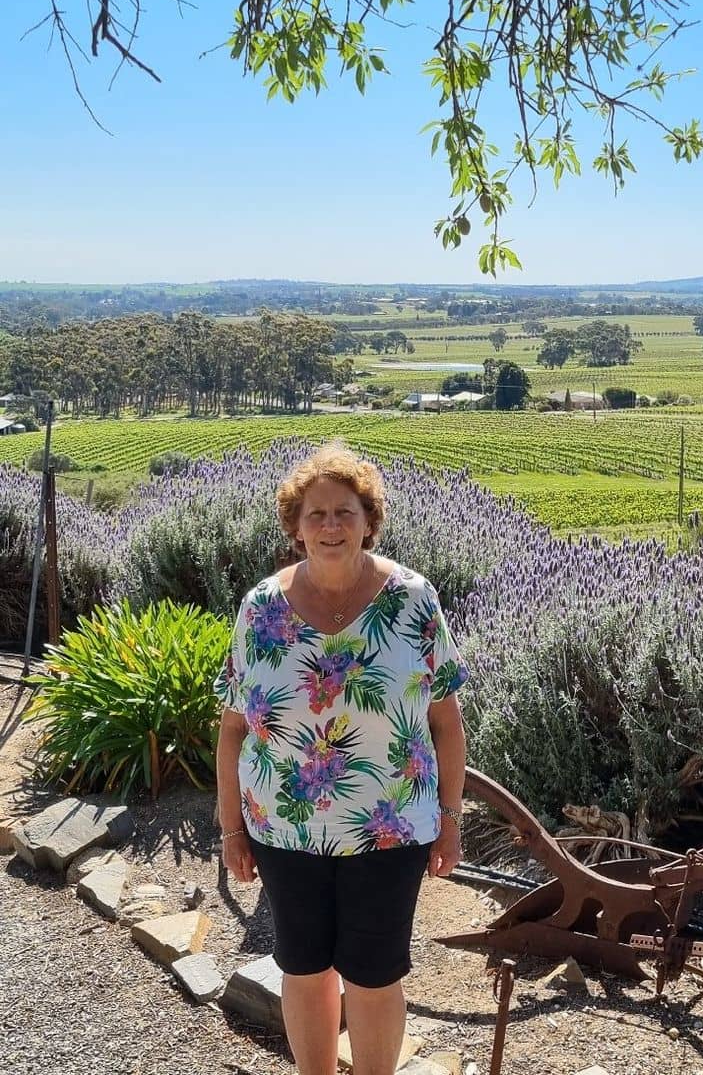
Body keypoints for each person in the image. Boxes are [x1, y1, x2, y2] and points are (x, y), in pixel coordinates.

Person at [214, 444, 468, 1075]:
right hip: (284, 828)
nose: (331, 526)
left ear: (368, 520)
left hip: (390, 829)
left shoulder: (413, 600)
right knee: (303, 968)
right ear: (296, 527)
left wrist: (450, 819)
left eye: (345, 512)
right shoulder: (260, 608)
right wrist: (231, 829)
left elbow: (446, 721)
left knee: (375, 975)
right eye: (317, 514)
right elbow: (232, 730)